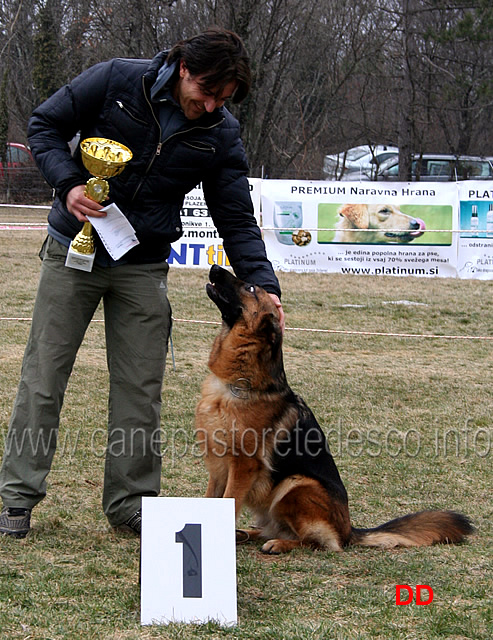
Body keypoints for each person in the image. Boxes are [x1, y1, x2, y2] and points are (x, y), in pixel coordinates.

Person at [0, 28, 283, 538]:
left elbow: (236, 218)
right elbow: (43, 125)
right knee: (43, 379)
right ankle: (16, 497)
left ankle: (131, 505)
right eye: (208, 92)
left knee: (139, 391)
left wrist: (264, 284)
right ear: (184, 70)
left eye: (224, 99)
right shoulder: (115, 80)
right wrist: (68, 184)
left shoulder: (220, 132)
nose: (212, 105)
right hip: (74, 250)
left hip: (142, 263)